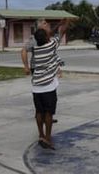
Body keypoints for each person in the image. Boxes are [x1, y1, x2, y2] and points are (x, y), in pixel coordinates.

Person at [31, 18, 70, 150]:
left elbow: (49, 34)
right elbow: (62, 33)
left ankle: (41, 135)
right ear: (47, 38)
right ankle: (47, 138)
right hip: (48, 86)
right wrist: (65, 23)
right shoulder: (52, 44)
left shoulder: (36, 48)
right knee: (49, 113)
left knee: (38, 112)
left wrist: (58, 24)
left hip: (36, 86)